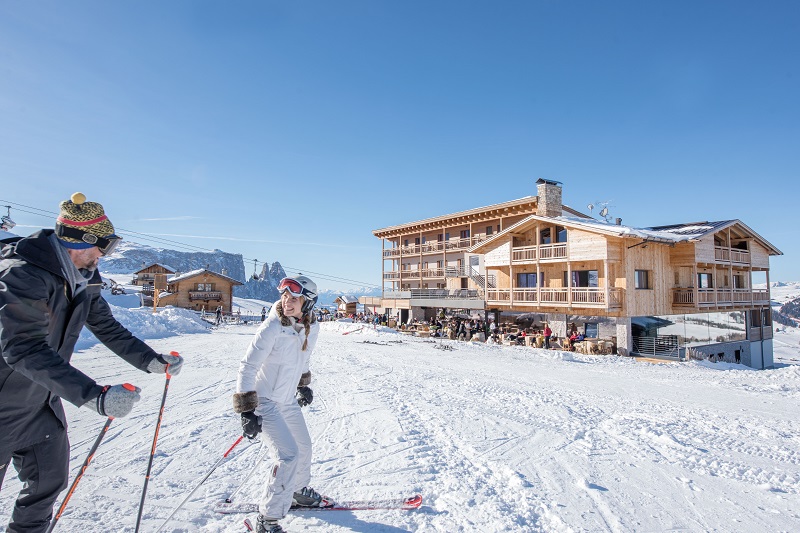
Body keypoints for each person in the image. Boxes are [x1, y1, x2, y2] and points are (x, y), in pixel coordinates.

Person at [0, 192, 184, 533]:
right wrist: (93, 395)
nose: (103, 255)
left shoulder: (85, 277)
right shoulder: (23, 276)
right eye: (103, 246)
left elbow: (106, 327)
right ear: (78, 241)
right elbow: (22, 348)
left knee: (45, 487)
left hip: (39, 405)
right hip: (2, 405)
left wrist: (151, 361)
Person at [232, 275, 323, 533]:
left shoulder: (311, 327)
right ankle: (267, 519)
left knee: (304, 447)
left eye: (294, 298)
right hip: (265, 401)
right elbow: (247, 367)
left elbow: (305, 356)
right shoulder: (273, 327)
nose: (287, 301)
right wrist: (246, 409)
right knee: (287, 456)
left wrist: (303, 383)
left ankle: (296, 491)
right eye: (285, 296)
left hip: (286, 400)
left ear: (308, 304)